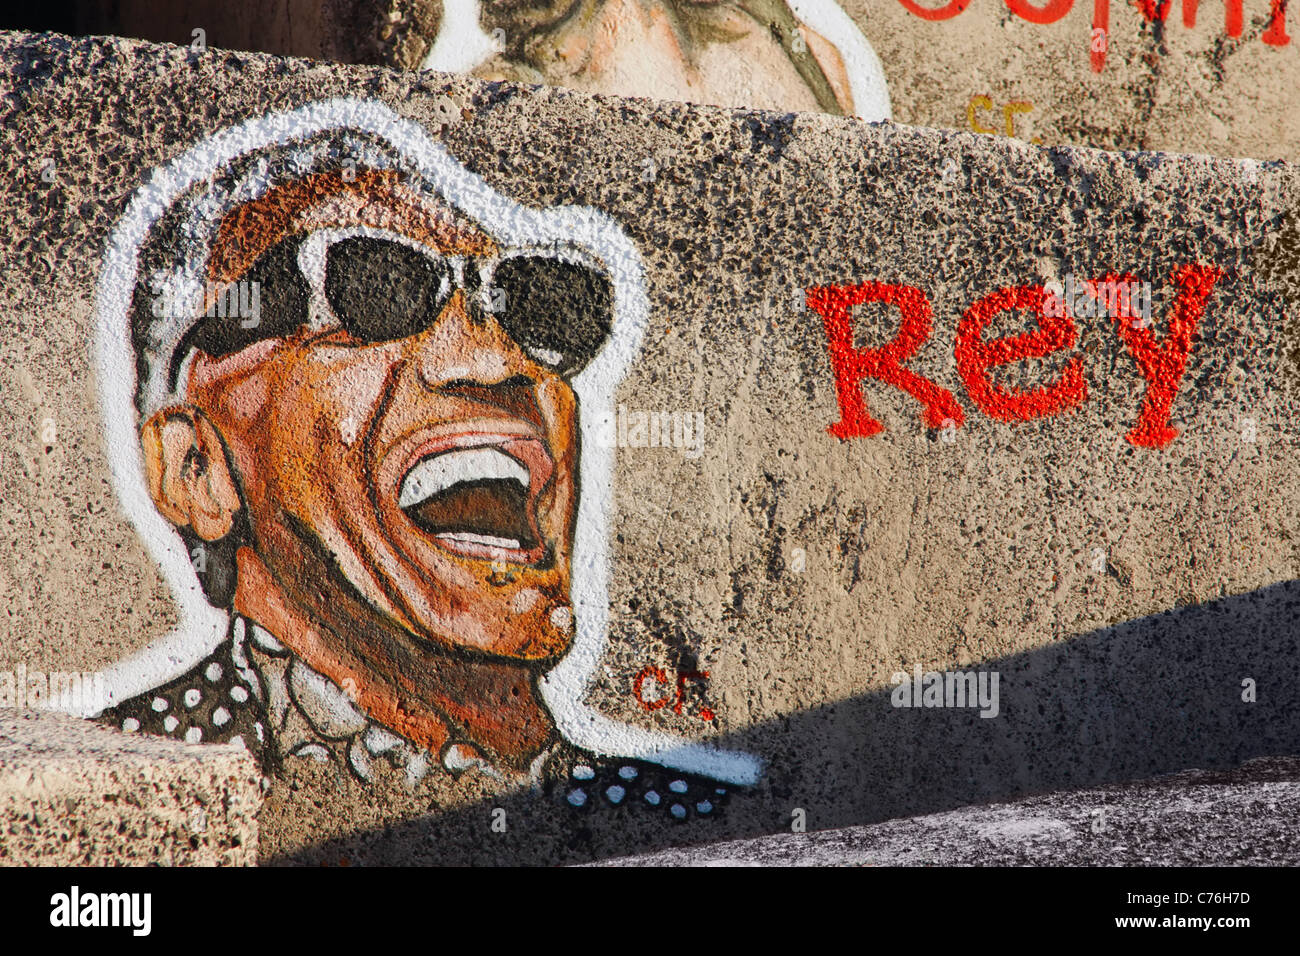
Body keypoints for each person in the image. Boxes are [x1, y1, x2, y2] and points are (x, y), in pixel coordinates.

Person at [90, 98, 760, 820]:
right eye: (378, 286)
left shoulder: (687, 832)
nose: (493, 359)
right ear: (197, 468)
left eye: (539, 308)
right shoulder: (104, 806)